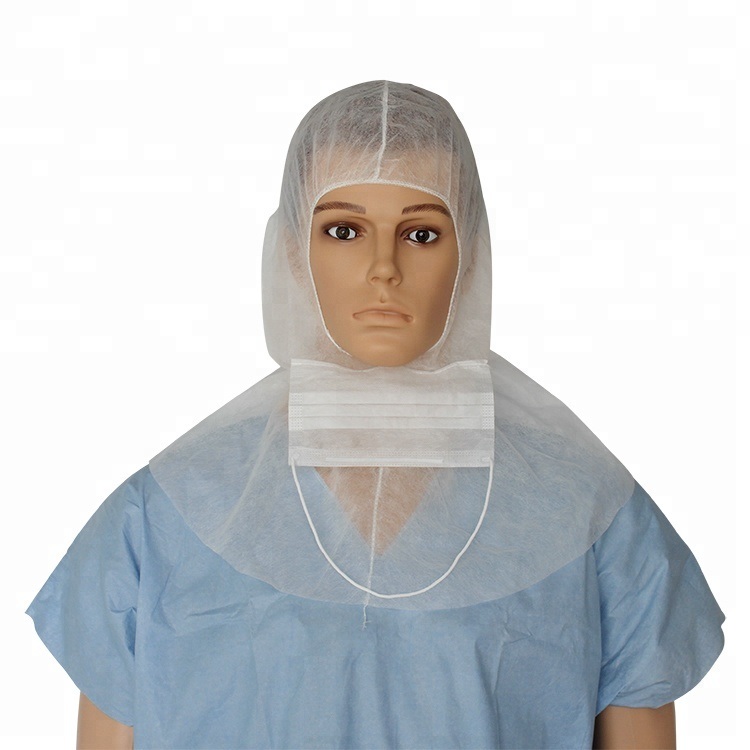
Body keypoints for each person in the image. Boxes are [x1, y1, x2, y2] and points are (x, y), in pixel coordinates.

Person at [27, 80, 724, 749]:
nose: (383, 268)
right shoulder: (165, 515)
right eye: (344, 230)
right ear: (293, 252)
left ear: (470, 254)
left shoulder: (591, 514)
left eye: (420, 234)